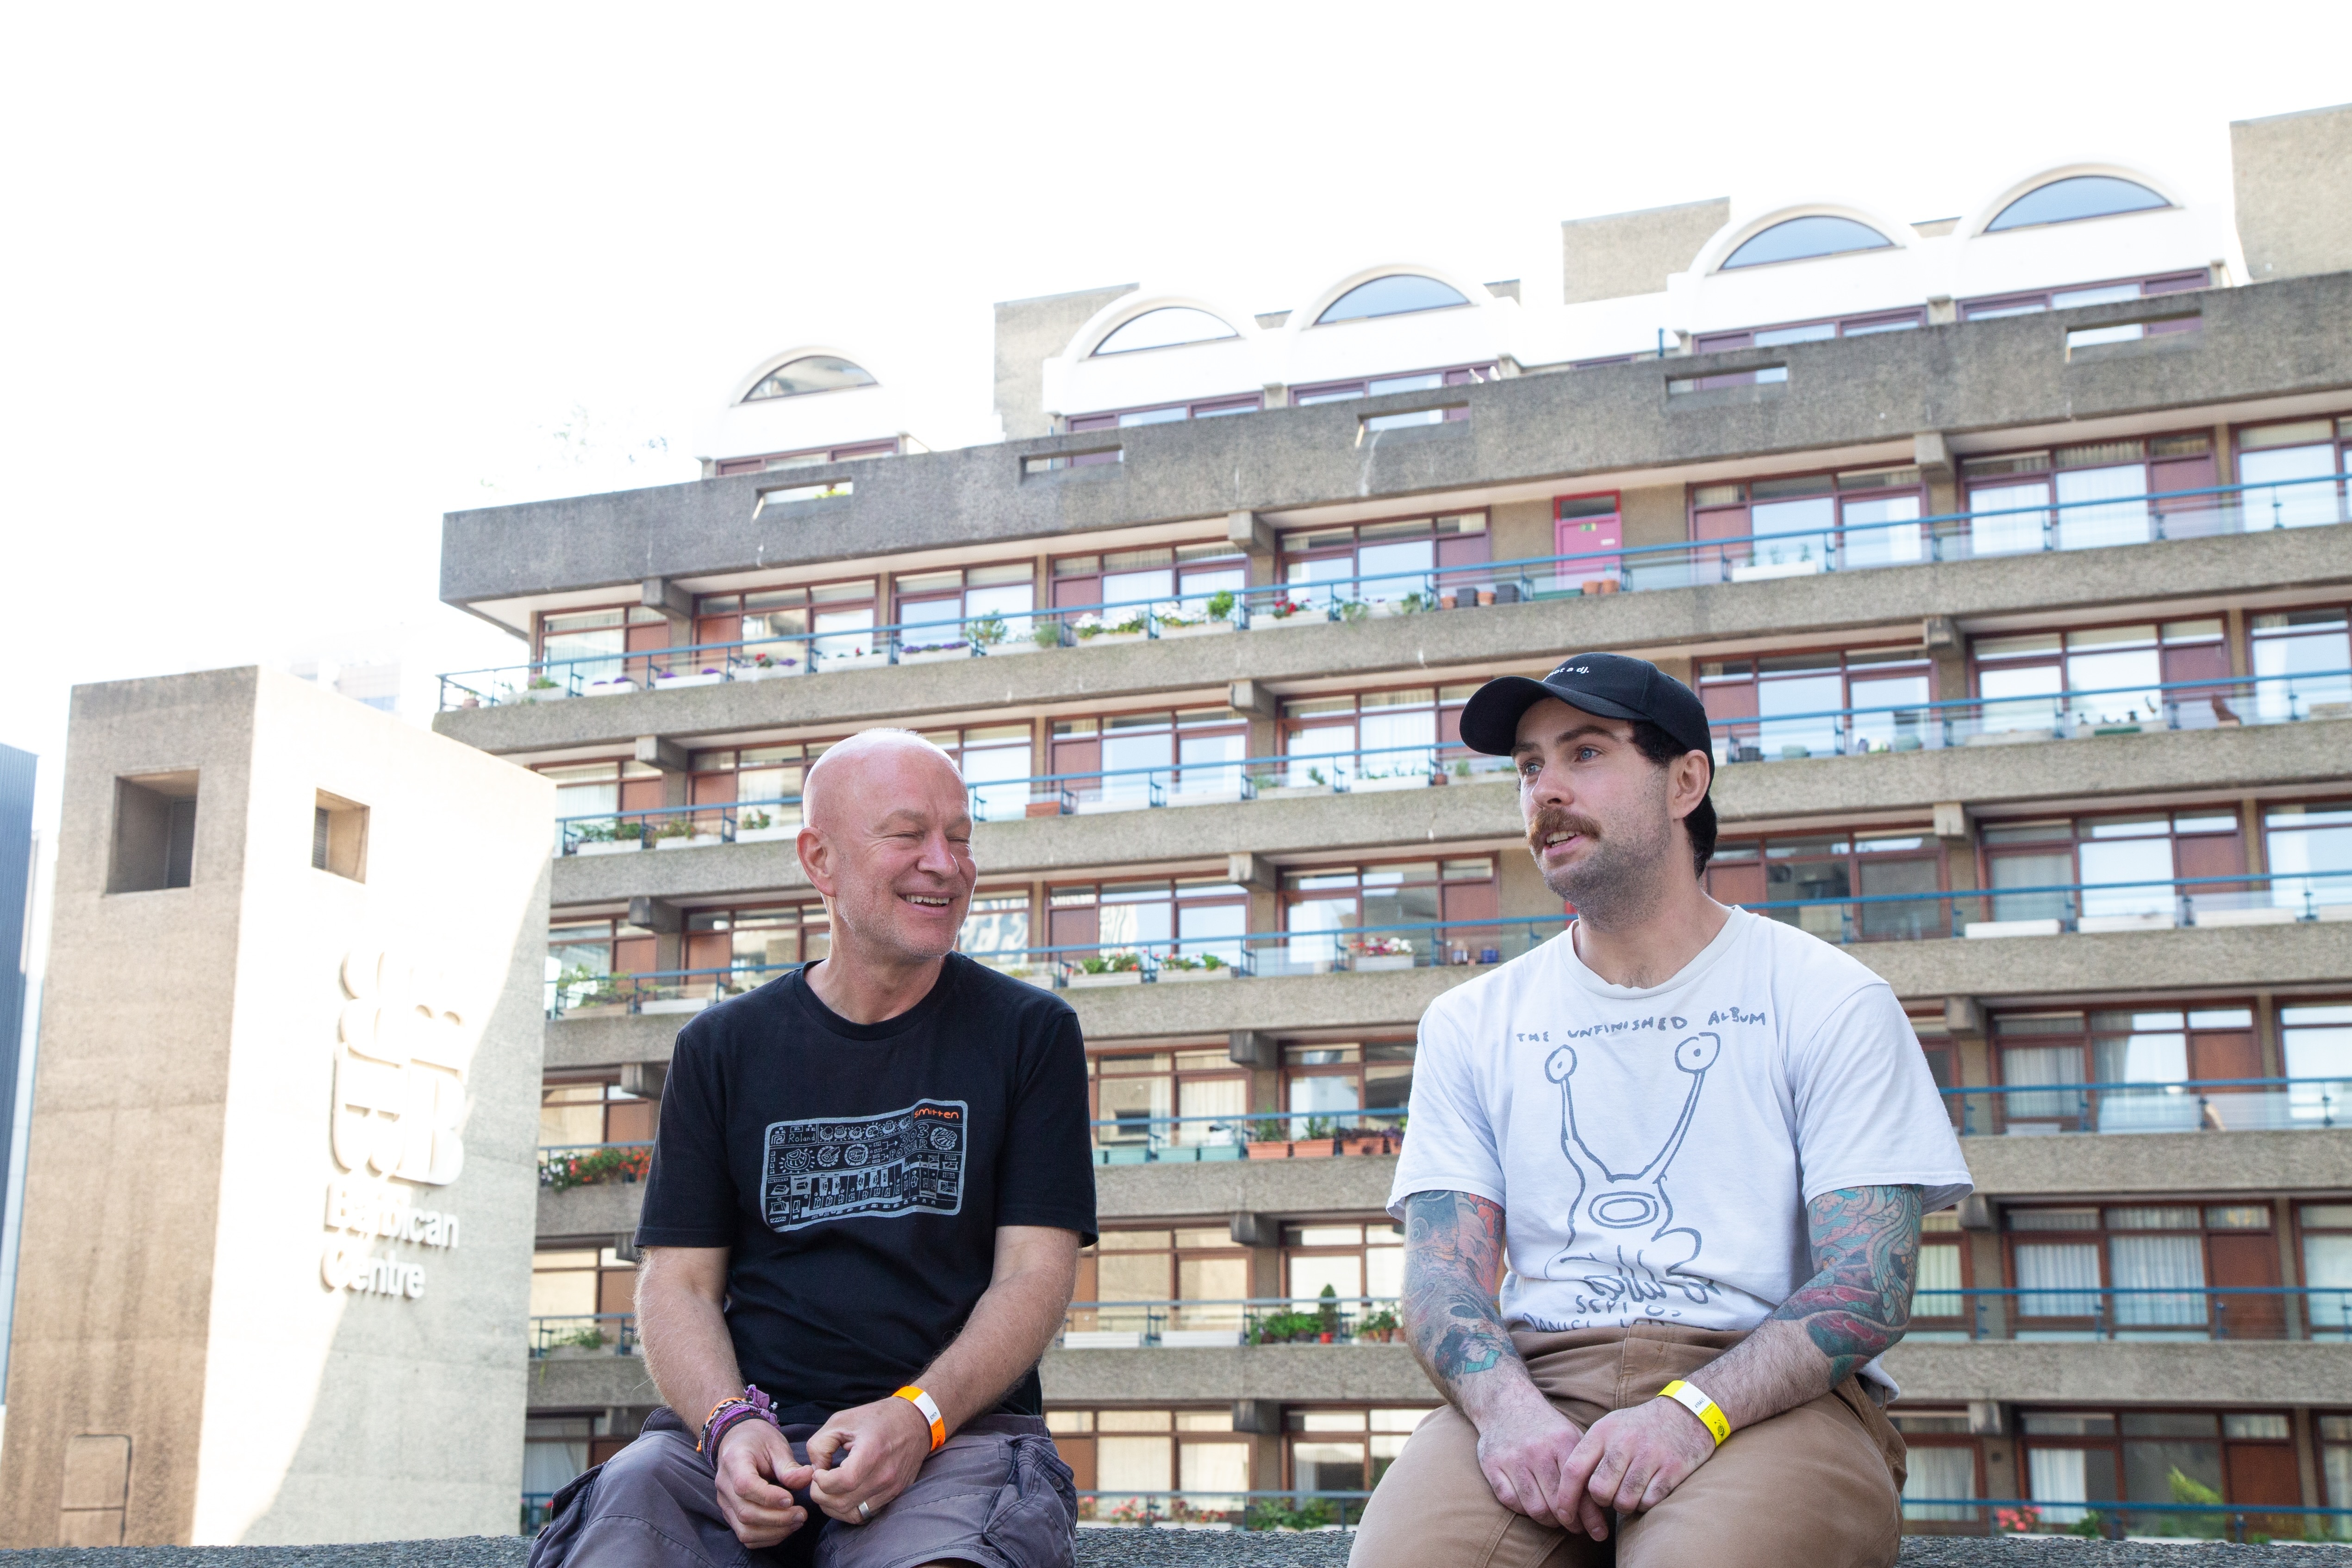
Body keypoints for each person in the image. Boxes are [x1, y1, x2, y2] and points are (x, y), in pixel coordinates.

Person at [1350, 654, 1971, 1568]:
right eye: (1528, 766)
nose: (1545, 790)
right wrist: (1509, 1414)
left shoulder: (1827, 997)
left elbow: (1867, 1284)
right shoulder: (1470, 1020)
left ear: (1686, 781)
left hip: (1768, 1393)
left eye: (1585, 752)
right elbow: (1443, 1278)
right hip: (1540, 1378)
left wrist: (1691, 1414)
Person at [530, 729, 1097, 1568]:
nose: (944, 864)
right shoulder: (720, 1047)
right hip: (739, 1446)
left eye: (960, 838)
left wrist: (919, 1416)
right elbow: (679, 1283)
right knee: (617, 1531)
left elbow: (1034, 1276)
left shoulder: (1030, 1033)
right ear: (818, 859)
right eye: (908, 836)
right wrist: (729, 1427)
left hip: (957, 1441)